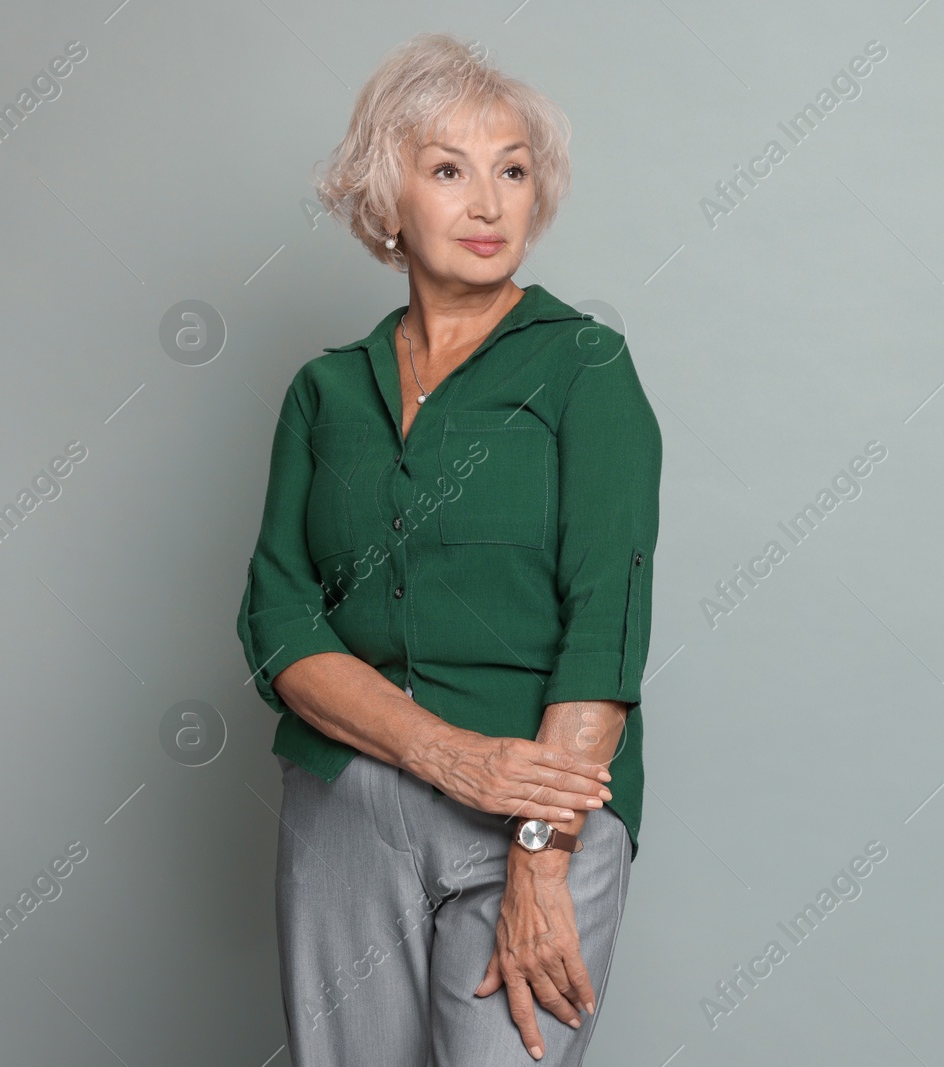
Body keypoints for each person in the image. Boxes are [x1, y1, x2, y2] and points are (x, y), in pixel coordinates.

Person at [234, 32, 661, 1066]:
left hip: (536, 811)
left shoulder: (584, 365)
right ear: (387, 201)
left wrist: (539, 858)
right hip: (347, 804)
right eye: (448, 170)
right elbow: (278, 621)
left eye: (512, 171)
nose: (488, 202)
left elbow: (604, 618)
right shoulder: (325, 392)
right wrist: (442, 753)